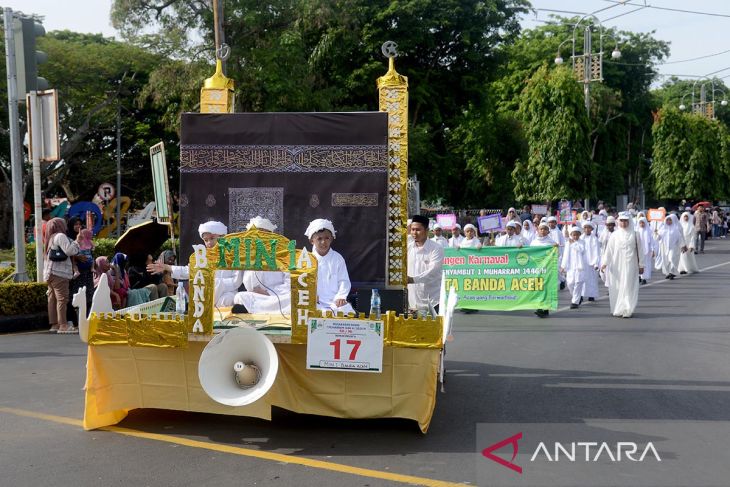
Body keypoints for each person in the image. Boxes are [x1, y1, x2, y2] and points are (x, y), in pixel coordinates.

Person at [147, 221, 243, 307]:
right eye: (206, 240)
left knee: (230, 299)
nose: (209, 243)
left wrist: (215, 283)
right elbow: (189, 271)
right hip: (206, 298)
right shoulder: (202, 257)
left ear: (223, 237)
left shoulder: (234, 256)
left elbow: (236, 281)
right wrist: (166, 267)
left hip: (226, 297)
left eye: (212, 238)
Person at [233, 217, 291, 315]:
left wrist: (268, 292)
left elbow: (289, 283)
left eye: (264, 234)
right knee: (239, 297)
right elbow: (249, 285)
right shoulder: (248, 257)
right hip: (258, 297)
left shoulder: (283, 254)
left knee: (292, 298)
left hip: (278, 296)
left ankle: (255, 309)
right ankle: (265, 309)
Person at [305, 218, 355, 314]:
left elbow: (344, 281)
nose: (323, 242)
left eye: (327, 238)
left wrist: (340, 297)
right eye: (319, 238)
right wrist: (311, 294)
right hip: (314, 301)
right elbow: (302, 282)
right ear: (312, 241)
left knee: (347, 311)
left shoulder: (338, 258)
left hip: (335, 303)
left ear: (331, 238)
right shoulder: (307, 259)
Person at [600, 213, 644, 318]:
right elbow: (609, 251)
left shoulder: (635, 234)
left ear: (629, 222)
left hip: (631, 265)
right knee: (618, 286)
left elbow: (640, 251)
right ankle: (619, 308)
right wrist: (604, 263)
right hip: (617, 265)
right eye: (621, 221)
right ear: (618, 222)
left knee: (628, 286)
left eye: (625, 221)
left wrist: (641, 265)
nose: (623, 223)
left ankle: (628, 308)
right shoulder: (614, 235)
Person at [44, 217, 81, 333]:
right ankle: (63, 325)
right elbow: (69, 251)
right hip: (59, 273)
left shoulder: (50, 237)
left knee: (52, 299)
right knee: (62, 299)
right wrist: (77, 241)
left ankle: (54, 324)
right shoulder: (60, 236)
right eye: (63, 223)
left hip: (50, 273)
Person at [407, 214, 444, 315]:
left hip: (432, 302)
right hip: (413, 304)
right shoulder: (408, 247)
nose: (414, 233)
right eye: (412, 229)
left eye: (418, 230)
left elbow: (433, 272)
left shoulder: (436, 248)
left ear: (427, 231)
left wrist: (412, 279)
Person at [530, 222, 558, 318]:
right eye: (541, 229)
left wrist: (556, 249)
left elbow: (557, 255)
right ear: (538, 230)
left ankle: (544, 309)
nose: (543, 231)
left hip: (547, 269)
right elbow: (529, 254)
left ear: (548, 231)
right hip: (536, 269)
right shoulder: (534, 242)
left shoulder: (551, 243)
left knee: (545, 288)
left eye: (545, 229)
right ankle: (539, 307)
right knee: (538, 288)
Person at [561, 226, 588, 309]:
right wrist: (563, 266)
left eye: (577, 235)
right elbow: (565, 255)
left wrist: (573, 243)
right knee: (570, 283)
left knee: (578, 283)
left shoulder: (582, 242)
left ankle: (575, 302)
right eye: (573, 235)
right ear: (571, 235)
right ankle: (577, 297)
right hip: (571, 267)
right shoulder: (568, 242)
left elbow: (581, 250)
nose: (575, 236)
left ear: (579, 235)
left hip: (580, 267)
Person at [656, 214, 686, 280]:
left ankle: (672, 272)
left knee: (672, 258)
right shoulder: (662, 229)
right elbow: (657, 238)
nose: (668, 221)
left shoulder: (675, 229)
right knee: (666, 261)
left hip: (674, 247)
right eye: (667, 220)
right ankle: (668, 272)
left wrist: (683, 246)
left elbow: (680, 238)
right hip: (664, 247)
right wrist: (656, 233)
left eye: (670, 220)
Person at [580, 221, 600, 301]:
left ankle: (591, 295)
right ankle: (580, 295)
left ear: (591, 229)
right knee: (581, 279)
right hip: (582, 263)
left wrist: (596, 263)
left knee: (592, 279)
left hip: (591, 263)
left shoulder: (594, 239)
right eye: (585, 227)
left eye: (589, 227)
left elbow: (597, 252)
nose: (587, 229)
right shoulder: (580, 238)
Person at [636, 217, 657, 284]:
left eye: (643, 223)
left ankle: (644, 278)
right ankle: (639, 276)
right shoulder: (637, 231)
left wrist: (653, 250)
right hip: (639, 251)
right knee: (638, 264)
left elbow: (651, 241)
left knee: (646, 264)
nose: (642, 224)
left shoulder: (648, 231)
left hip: (647, 251)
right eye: (640, 223)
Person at [547, 216, 566, 289]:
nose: (551, 224)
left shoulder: (559, 232)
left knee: (557, 269)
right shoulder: (547, 231)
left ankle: (562, 280)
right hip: (549, 254)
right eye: (550, 222)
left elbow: (562, 243)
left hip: (558, 254)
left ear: (555, 223)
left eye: (553, 222)